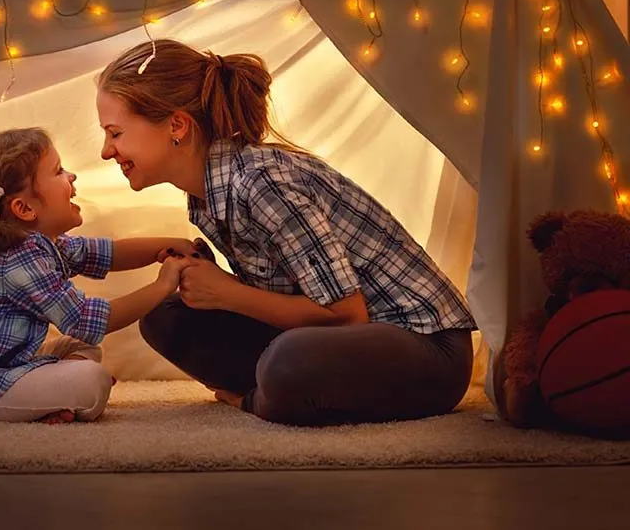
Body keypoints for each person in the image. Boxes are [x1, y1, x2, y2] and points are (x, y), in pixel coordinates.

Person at [95, 38, 477, 426]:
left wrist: (228, 293)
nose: (106, 152)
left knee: (289, 363)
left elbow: (347, 316)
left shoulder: (262, 183)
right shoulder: (206, 196)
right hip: (339, 342)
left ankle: (261, 399)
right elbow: (291, 295)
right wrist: (214, 286)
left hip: (425, 349)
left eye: (115, 133)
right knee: (165, 317)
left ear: (176, 125)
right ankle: (281, 391)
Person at [0, 127, 197, 424]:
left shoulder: (40, 246)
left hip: (5, 363)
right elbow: (88, 320)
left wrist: (167, 245)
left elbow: (108, 253)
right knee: (91, 381)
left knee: (79, 347)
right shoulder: (18, 262)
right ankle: (55, 396)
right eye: (58, 171)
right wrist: (164, 285)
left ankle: (53, 399)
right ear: (23, 208)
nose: (71, 176)